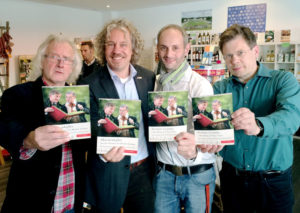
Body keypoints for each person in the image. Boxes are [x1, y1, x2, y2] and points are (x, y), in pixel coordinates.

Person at [214, 24, 300, 213]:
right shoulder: (219, 89)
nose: (234, 60)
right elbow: (210, 125)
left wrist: (259, 125)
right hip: (232, 179)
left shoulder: (283, 80)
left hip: (273, 182)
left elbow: (291, 117)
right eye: (228, 55)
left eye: (240, 52)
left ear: (255, 51)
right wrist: (209, 140)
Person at [0, 34, 87, 213]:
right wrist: (27, 138)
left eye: (67, 59)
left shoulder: (80, 99)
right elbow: (4, 126)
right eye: (55, 57)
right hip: (31, 203)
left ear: (73, 67)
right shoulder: (18, 94)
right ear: (41, 61)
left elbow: (87, 141)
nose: (61, 64)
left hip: (70, 200)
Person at [79, 19, 156, 213]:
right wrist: (101, 150)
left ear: (132, 48)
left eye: (123, 44)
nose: (116, 50)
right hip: (106, 172)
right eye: (111, 44)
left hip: (144, 172)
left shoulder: (148, 78)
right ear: (103, 49)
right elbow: (85, 129)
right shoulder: (88, 83)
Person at [154, 24, 223, 213]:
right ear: (158, 48)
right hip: (164, 176)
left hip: (197, 176)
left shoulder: (200, 86)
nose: (169, 54)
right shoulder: (155, 83)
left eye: (175, 47)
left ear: (186, 49)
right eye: (163, 47)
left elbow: (214, 138)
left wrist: (195, 151)